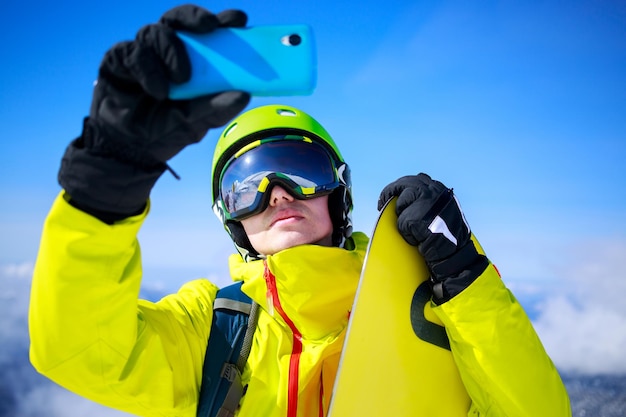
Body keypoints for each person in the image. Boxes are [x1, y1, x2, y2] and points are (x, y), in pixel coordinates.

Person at [28, 4, 571, 417]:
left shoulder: (429, 302)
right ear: (230, 219)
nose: (278, 195)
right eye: (248, 188)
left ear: (339, 194)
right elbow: (78, 351)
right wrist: (103, 186)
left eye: (298, 171)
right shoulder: (212, 328)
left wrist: (468, 279)